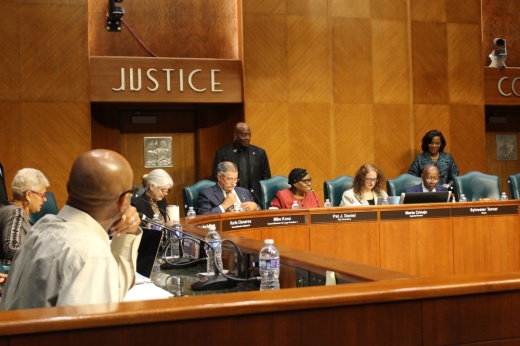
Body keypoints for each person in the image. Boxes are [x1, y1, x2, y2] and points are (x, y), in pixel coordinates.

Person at [0, 149, 142, 310]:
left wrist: (127, 234)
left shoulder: (41, 227)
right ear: (124, 200)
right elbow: (88, 331)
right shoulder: (91, 253)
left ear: (68, 187)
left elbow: (112, 288)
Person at [212, 122, 271, 205]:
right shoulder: (223, 153)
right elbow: (216, 179)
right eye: (244, 135)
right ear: (235, 136)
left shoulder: (259, 153)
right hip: (230, 199)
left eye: (249, 135)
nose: (248, 138)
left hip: (255, 199)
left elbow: (266, 179)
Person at [0, 168, 50, 262]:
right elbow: (11, 249)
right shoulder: (16, 213)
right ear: (28, 195)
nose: (45, 200)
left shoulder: (7, 207)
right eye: (42, 195)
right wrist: (43, 253)